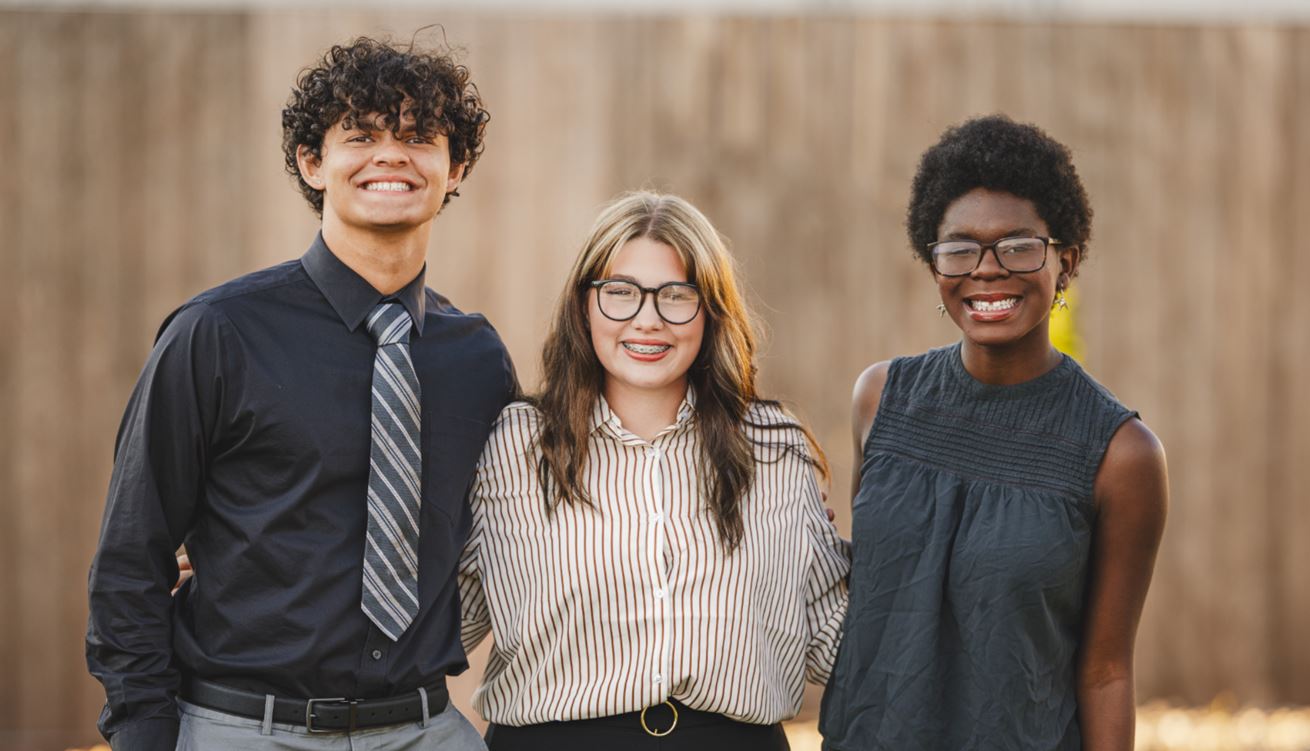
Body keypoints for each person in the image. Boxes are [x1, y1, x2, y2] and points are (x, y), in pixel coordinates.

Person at [86, 37, 512, 750]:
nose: (390, 155)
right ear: (313, 163)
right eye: (361, 135)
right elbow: (133, 555)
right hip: (242, 728)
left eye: (418, 137)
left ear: (455, 166)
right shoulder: (216, 334)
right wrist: (144, 733)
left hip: (426, 727)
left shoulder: (477, 358)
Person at [819, 116, 1169, 750]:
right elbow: (879, 601)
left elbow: (1107, 672)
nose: (987, 269)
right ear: (934, 264)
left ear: (1067, 261)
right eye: (960, 247)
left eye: (1018, 245)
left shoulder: (1121, 455)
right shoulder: (880, 400)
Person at [457, 191, 851, 750]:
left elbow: (835, 640)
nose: (648, 320)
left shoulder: (773, 447)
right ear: (583, 306)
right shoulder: (515, 448)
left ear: (710, 310)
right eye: (620, 293)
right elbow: (443, 624)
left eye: (676, 295)